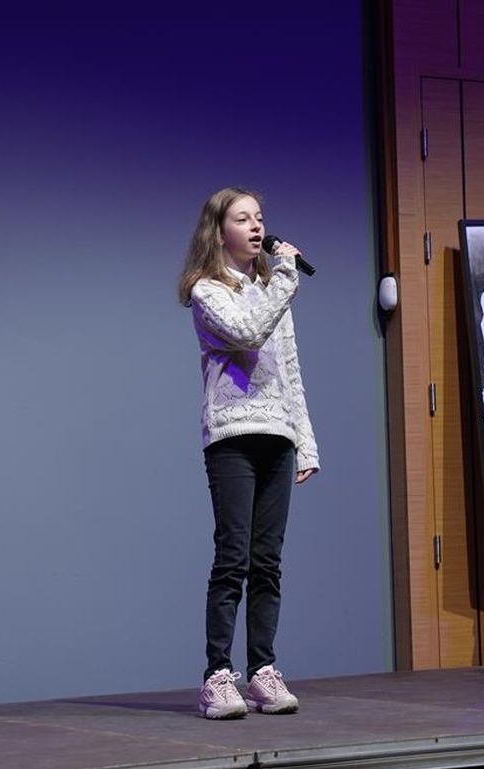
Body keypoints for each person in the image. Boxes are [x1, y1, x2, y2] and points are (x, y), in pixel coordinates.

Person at [177, 187, 320, 720]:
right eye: (243, 218)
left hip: (277, 433)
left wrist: (305, 441)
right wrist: (284, 278)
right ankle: (218, 676)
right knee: (232, 557)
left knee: (268, 562)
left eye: (260, 217)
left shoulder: (272, 288)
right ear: (219, 232)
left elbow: (289, 369)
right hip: (233, 436)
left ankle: (263, 670)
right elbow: (248, 332)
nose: (257, 226)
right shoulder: (207, 291)